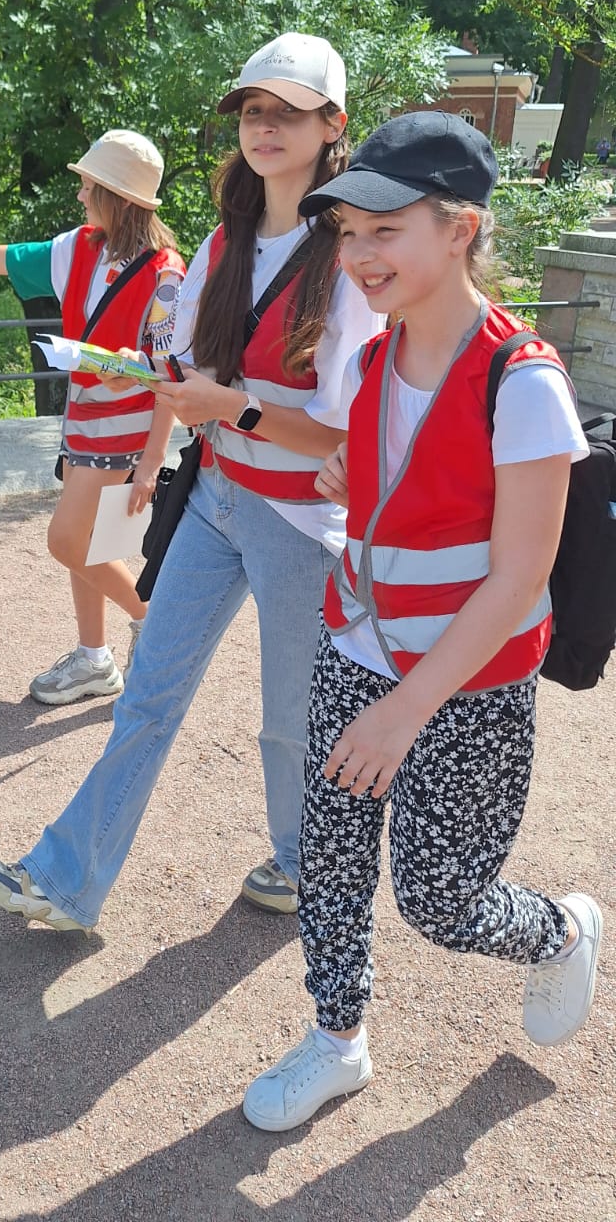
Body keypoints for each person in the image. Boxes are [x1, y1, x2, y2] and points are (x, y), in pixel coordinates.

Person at [241, 111, 602, 1133]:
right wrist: (352, 471)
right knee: (333, 851)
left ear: (460, 229)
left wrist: (403, 711)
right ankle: (337, 1037)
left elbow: (516, 577)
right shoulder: (369, 362)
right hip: (357, 642)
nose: (357, 255)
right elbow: (389, 489)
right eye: (347, 234)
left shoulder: (524, 381)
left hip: (463, 686)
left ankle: (559, 933)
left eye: (383, 231)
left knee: (441, 902)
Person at [0, 32, 384, 928]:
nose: (264, 126)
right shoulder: (223, 239)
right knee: (149, 695)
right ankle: (67, 881)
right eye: (252, 110)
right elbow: (182, 360)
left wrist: (226, 405)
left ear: (331, 125)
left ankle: (301, 860)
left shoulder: (350, 257)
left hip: (298, 520)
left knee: (287, 722)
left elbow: (344, 434)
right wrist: (150, 381)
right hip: (216, 498)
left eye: (286, 110)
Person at [0, 131, 184, 704]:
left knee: (67, 541)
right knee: (90, 546)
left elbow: (171, 371)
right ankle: (94, 659)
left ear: (116, 196)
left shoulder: (166, 275)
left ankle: (155, 623)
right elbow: (6, 259)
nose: (79, 195)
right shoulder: (79, 247)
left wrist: (151, 461)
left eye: (88, 185)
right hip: (82, 423)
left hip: (124, 431)